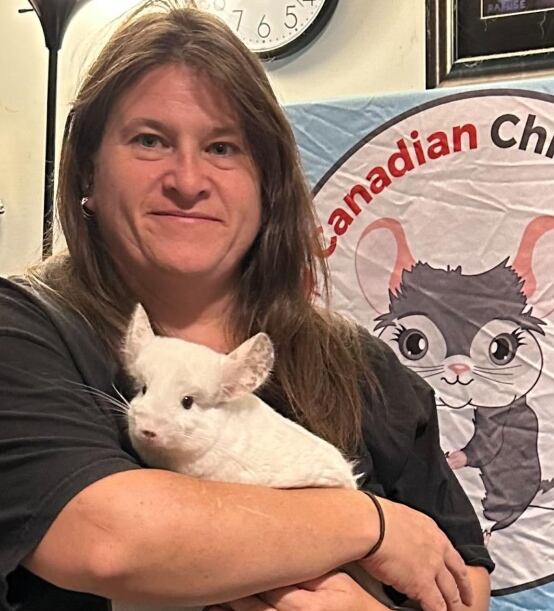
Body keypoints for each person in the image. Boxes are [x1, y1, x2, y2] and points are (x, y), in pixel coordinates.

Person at [0, 2, 494, 610]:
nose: (187, 179)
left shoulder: (357, 366)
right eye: (149, 140)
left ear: (269, 185)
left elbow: (460, 582)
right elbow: (108, 540)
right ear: (87, 176)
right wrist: (370, 524)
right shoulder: (24, 334)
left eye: (223, 148)